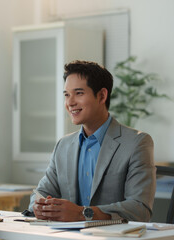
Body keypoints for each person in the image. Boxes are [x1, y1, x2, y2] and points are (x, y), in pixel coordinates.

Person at [29, 60, 156, 222]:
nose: (70, 102)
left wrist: (82, 213)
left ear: (102, 95)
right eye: (67, 95)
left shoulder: (137, 142)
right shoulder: (64, 145)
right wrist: (39, 205)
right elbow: (40, 193)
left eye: (79, 93)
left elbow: (139, 209)